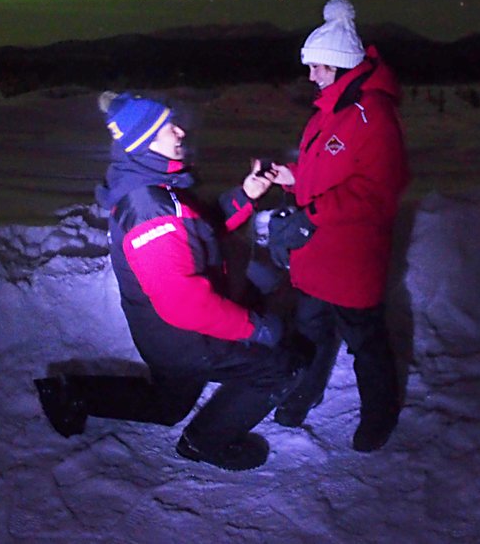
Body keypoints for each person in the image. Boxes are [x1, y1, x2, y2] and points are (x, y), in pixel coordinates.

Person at [34, 91, 303, 471]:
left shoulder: (152, 187)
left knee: (167, 405)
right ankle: (204, 443)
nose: (179, 131)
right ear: (144, 142)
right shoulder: (150, 209)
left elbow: (199, 231)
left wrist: (246, 195)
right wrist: (254, 328)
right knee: (279, 368)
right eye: (166, 128)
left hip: (164, 336)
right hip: (187, 337)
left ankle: (72, 393)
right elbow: (184, 303)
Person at [264, 0, 409, 452]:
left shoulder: (374, 117)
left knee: (367, 345)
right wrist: (293, 180)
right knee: (310, 334)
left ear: (342, 67)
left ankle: (378, 419)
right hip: (316, 254)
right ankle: (303, 394)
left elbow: (376, 189)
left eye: (319, 67)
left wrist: (313, 213)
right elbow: (329, 173)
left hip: (350, 260)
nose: (311, 76)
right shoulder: (330, 111)